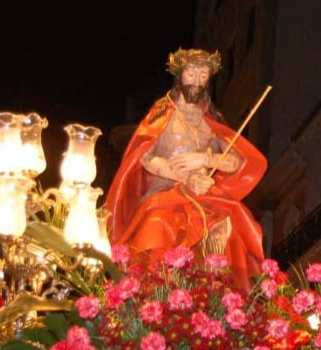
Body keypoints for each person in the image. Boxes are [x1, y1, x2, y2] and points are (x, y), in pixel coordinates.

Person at [105, 49, 267, 288]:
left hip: (205, 195)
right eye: (192, 73)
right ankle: (156, 291)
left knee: (230, 227)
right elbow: (145, 157)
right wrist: (183, 176)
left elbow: (237, 161)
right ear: (179, 75)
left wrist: (205, 159)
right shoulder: (161, 114)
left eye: (203, 75)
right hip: (165, 192)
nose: (198, 80)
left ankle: (217, 293)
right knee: (157, 222)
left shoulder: (213, 118)